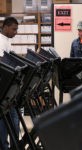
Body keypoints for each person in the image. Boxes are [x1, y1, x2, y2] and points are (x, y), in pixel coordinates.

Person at [0, 16, 19, 150]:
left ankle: (12, 146)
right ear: (5, 27)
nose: (15, 32)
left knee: (12, 117)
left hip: (8, 86)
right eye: (14, 29)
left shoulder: (6, 40)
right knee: (6, 118)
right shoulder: (0, 42)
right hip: (3, 88)